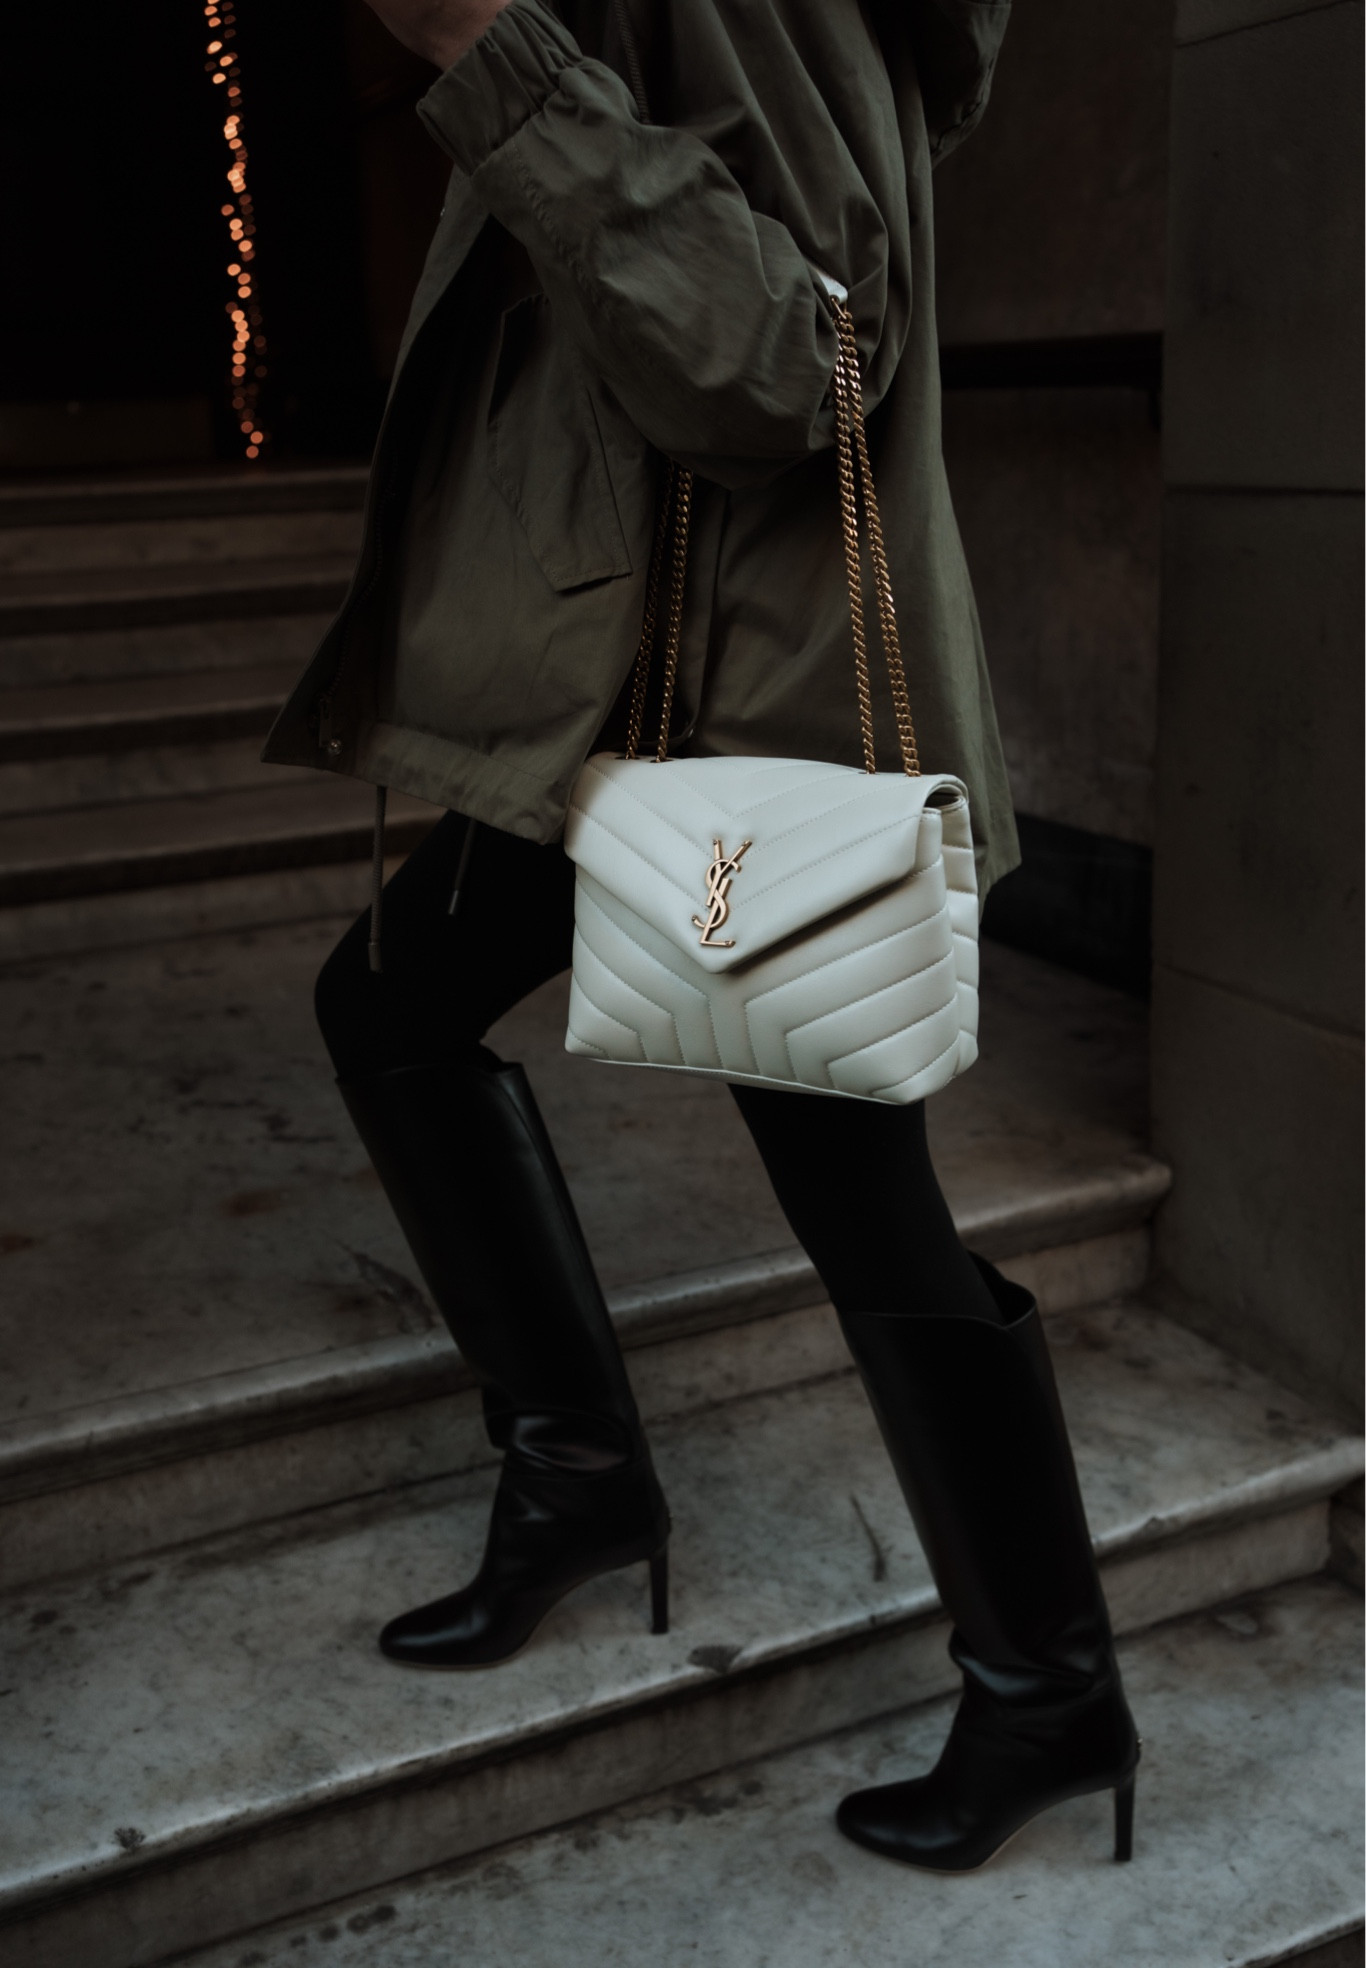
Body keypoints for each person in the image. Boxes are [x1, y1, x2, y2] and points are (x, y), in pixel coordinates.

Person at [263, 0, 1140, 1874]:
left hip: (745, 716)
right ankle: (579, 1477)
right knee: (392, 1002)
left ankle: (1049, 1696)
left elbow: (792, 355)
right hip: (646, 696)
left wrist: (490, 52)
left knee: (857, 1190)